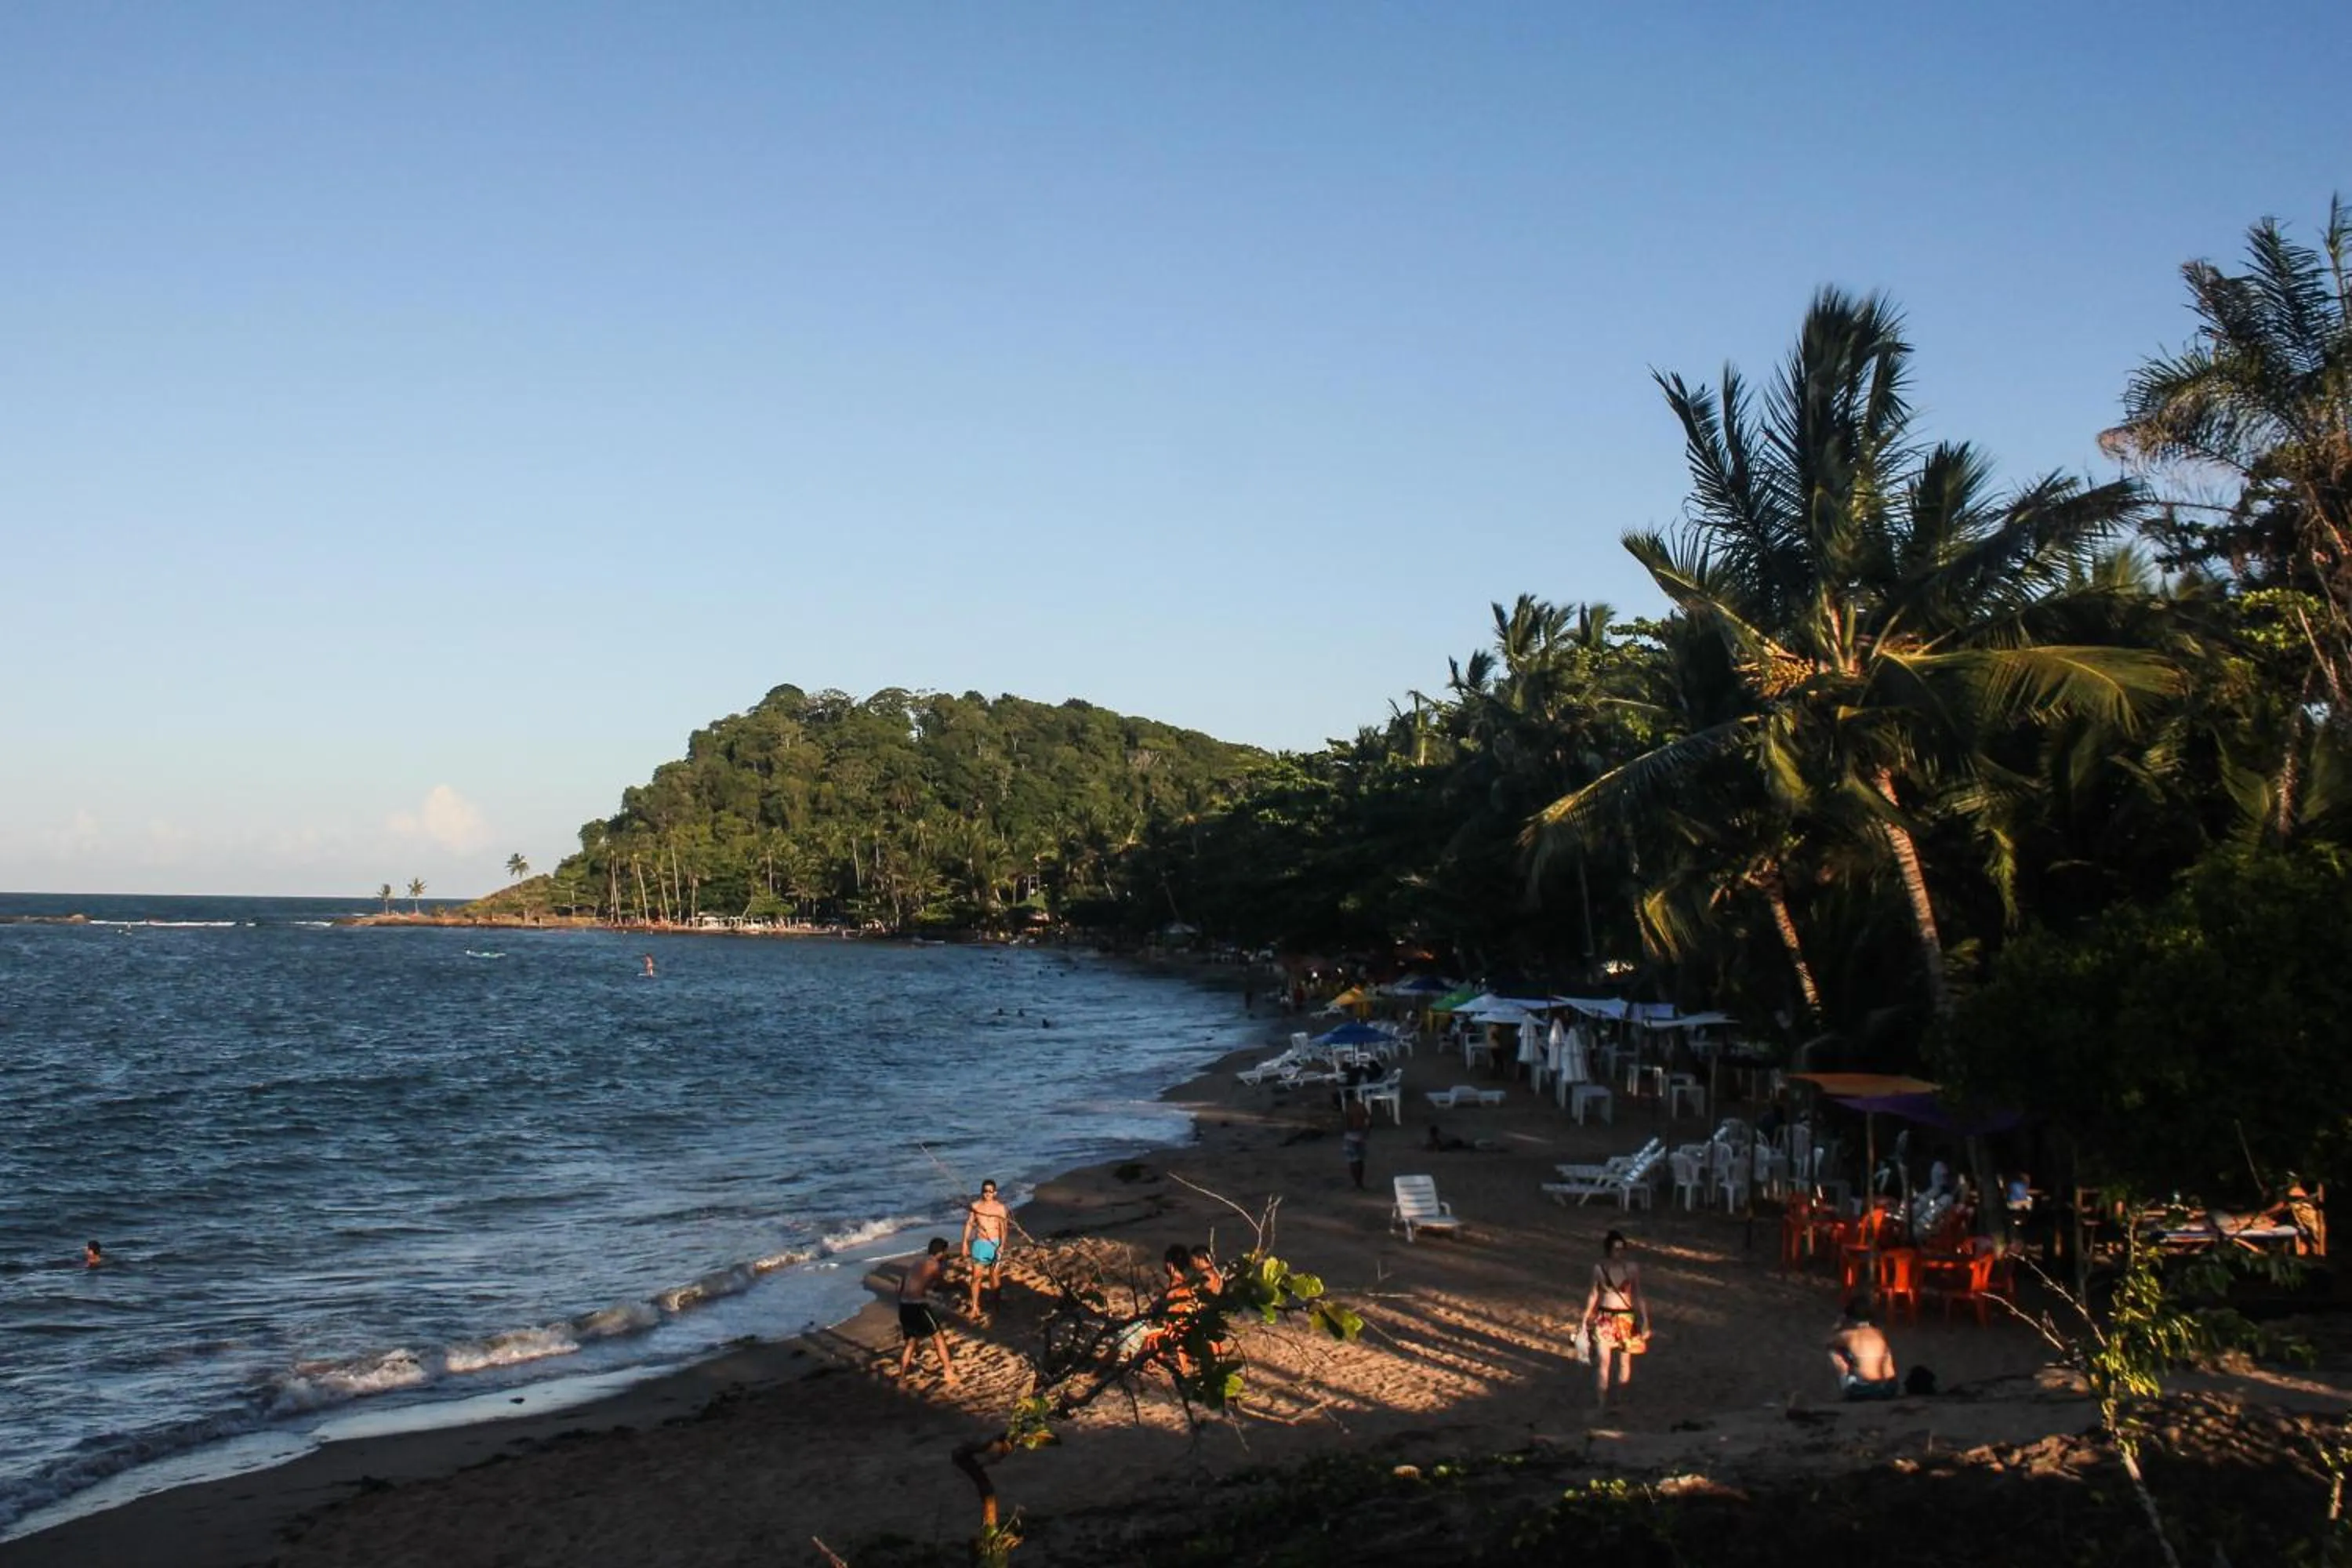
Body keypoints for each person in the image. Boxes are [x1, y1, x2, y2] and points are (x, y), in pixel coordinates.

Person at [1580, 1230, 1650, 1412]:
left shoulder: (1632, 1268)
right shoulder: (1599, 1269)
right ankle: (1601, 1402)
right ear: (1608, 1250)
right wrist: (1584, 1319)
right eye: (1615, 1249)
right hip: (1605, 1318)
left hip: (1626, 1317)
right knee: (1604, 1362)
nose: (1619, 1253)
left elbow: (1638, 1294)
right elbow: (1593, 1294)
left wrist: (1645, 1319)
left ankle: (1619, 1400)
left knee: (1624, 1362)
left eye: (1622, 1249)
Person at [895, 1239, 960, 1387]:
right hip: (919, 1307)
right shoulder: (934, 1264)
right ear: (941, 1252)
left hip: (904, 1306)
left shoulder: (916, 1263)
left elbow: (899, 1287)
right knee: (938, 1336)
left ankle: (902, 1378)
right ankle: (948, 1371)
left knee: (910, 1342)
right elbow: (941, 1285)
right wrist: (955, 1285)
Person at [1828, 1297, 1900, 1401]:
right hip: (1889, 1388)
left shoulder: (1849, 1335)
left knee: (1834, 1351)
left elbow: (1828, 1341)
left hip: (1863, 1391)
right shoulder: (1879, 1333)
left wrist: (1838, 1324)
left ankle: (1847, 1386)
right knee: (1883, 1353)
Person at [963, 1180, 1011, 1316]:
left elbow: (1004, 1228)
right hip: (980, 1244)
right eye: (985, 1191)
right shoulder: (976, 1206)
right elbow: (969, 1225)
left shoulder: (1000, 1208)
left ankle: (997, 1304)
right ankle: (975, 1306)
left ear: (995, 1192)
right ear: (981, 1191)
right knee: (976, 1277)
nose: (987, 1193)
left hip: (995, 1244)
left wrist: (1002, 1245)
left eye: (990, 1191)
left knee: (994, 1276)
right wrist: (965, 1243)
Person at [1342, 1096, 1370, 1190]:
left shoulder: (1348, 1110)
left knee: (1352, 1161)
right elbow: (1368, 1121)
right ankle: (1360, 1182)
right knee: (1360, 1160)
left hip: (1350, 1137)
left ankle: (1356, 1182)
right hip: (1361, 1136)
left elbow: (1347, 1125)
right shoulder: (1361, 1107)